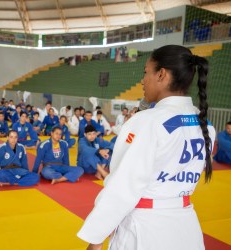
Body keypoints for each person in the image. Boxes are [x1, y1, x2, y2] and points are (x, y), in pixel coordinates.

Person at [77, 45, 216, 250]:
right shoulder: (206, 125)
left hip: (145, 229)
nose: (143, 80)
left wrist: (96, 240)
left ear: (161, 74)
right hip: (186, 226)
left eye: (146, 73)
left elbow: (122, 187)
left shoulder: (146, 121)